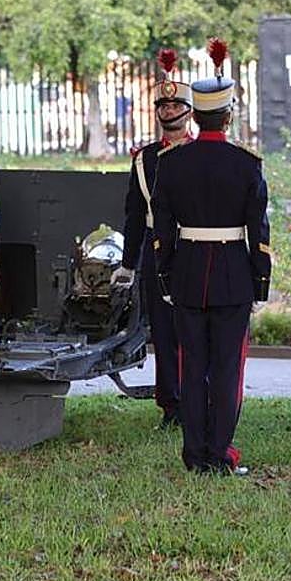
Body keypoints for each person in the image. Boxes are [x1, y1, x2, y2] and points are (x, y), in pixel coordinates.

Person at [151, 37, 270, 474]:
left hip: (185, 273)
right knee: (225, 370)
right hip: (232, 275)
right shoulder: (246, 164)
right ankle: (219, 452)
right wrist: (261, 280)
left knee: (191, 366)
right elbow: (258, 230)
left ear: (195, 114)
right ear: (229, 113)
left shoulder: (173, 162)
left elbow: (162, 228)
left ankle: (194, 453)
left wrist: (164, 275)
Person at [111, 48, 193, 429]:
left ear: (190, 111)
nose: (168, 110)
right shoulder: (143, 158)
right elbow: (132, 214)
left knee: (195, 330)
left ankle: (199, 397)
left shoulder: (202, 154)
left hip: (194, 248)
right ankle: (171, 406)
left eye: (176, 104)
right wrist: (128, 264)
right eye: (163, 104)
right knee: (162, 333)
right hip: (154, 253)